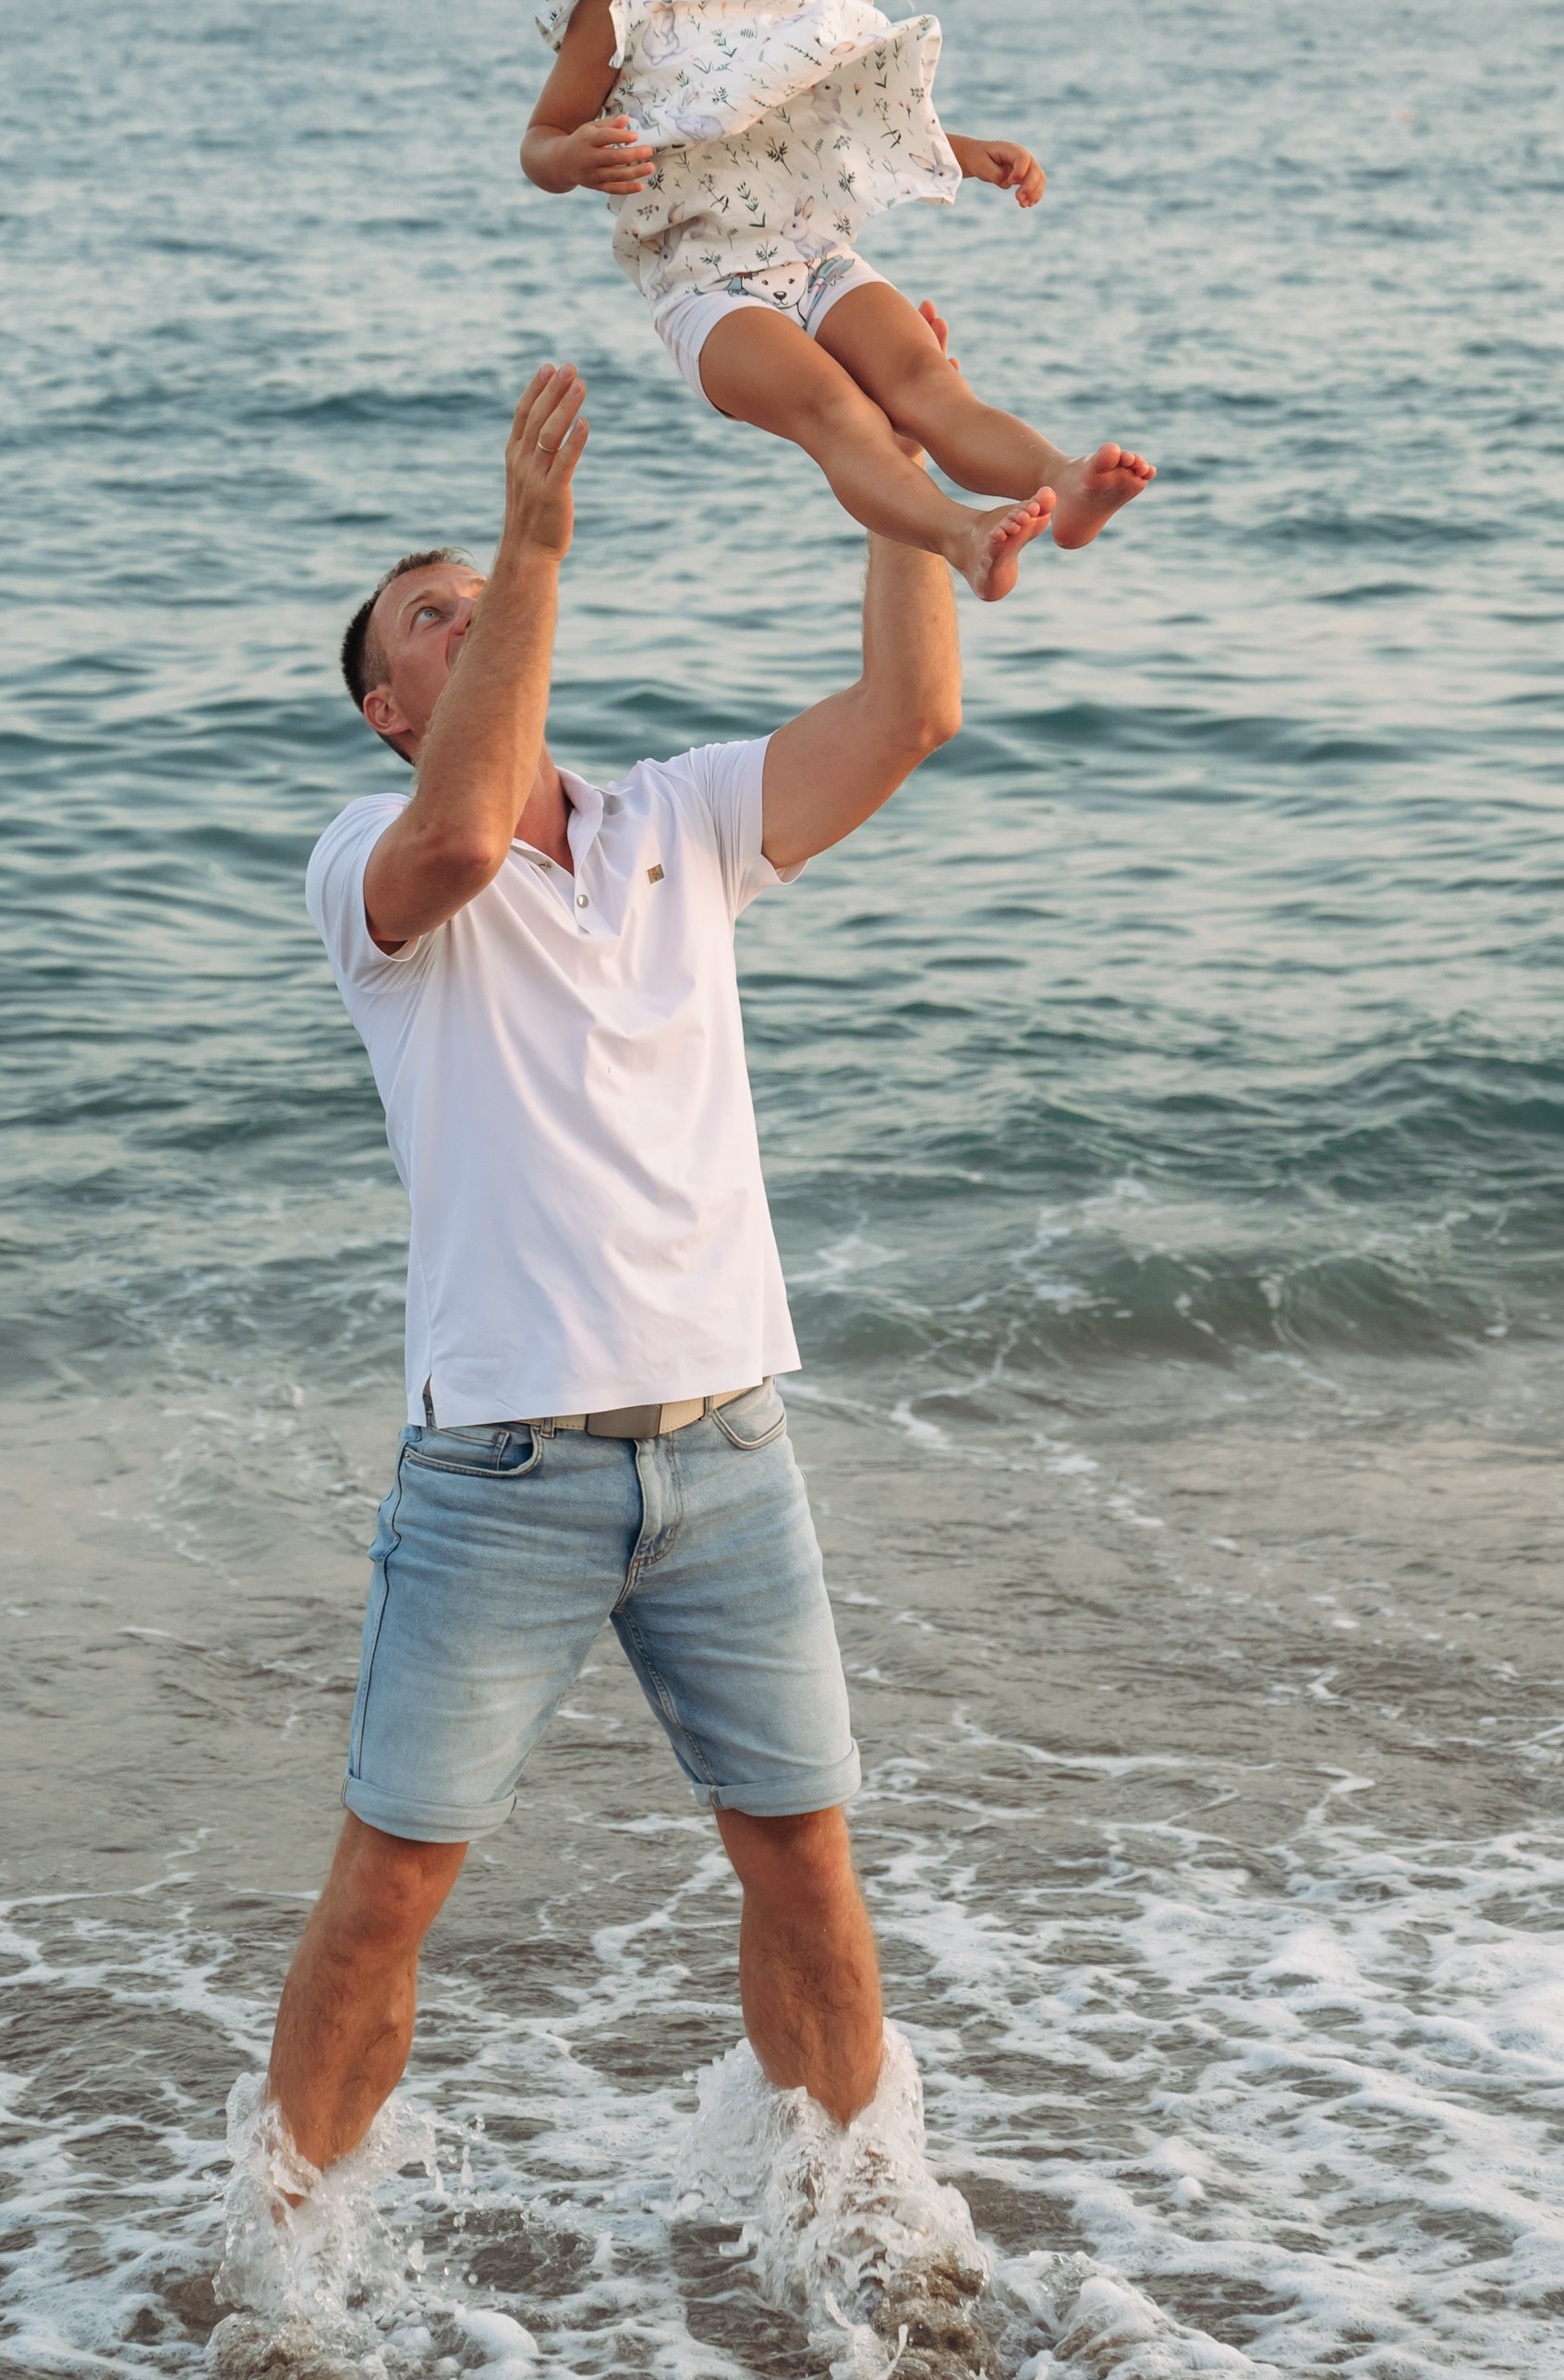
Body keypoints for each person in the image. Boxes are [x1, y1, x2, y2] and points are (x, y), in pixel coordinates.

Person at [258, 329, 1011, 2205]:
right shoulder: (372, 861)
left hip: (730, 1452)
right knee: (391, 1886)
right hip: (502, 1468)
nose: (465, 613)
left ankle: (862, 2227)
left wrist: (897, 459)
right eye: (423, 615)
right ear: (379, 704)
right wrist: (529, 551)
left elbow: (908, 708)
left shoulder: (680, 821)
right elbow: (455, 825)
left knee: (805, 1862)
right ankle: (286, 2258)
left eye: (471, 596)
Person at [521, 0, 1155, 600]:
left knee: (926, 381)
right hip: (707, 288)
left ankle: (1060, 480)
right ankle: (958, 534)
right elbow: (540, 139)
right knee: (839, 412)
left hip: (820, 256)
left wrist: (961, 149)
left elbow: (850, 109)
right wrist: (569, 157)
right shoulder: (622, 4)